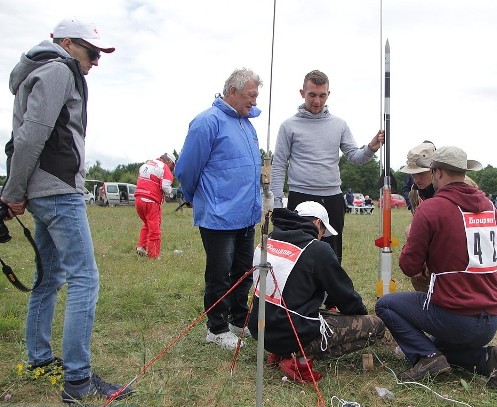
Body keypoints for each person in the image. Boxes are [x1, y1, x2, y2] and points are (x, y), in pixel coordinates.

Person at [1, 18, 133, 402]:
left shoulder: (42, 70)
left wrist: (19, 190)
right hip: (58, 192)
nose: (96, 61)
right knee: (84, 280)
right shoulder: (59, 70)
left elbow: (29, 135)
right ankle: (77, 380)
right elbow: (30, 136)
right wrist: (12, 191)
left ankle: (40, 359)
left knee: (49, 277)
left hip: (45, 192)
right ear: (66, 43)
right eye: (92, 52)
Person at [375, 146, 497, 389]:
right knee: (438, 345)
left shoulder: (431, 208)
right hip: (491, 319)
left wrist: (415, 241)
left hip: (457, 315)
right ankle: (486, 359)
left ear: (437, 173)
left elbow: (409, 266)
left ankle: (426, 359)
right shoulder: (490, 207)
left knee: (386, 305)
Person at [175, 68, 263, 350]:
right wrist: (194, 197)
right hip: (218, 216)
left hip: (246, 216)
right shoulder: (206, 123)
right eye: (251, 95)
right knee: (219, 272)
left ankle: (239, 319)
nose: (255, 101)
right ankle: (216, 327)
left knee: (243, 270)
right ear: (233, 92)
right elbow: (187, 169)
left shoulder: (247, 125)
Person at [248, 201, 385, 382]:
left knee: (296, 309)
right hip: (292, 334)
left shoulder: (270, 238)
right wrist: (359, 316)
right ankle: (298, 359)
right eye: (323, 232)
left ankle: (279, 353)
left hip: (261, 330)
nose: (321, 237)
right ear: (318, 224)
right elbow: (345, 297)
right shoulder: (316, 249)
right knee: (375, 327)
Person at [271, 70, 384, 263]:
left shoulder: (339, 125)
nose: (317, 101)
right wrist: (276, 202)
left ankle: (331, 293)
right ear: (302, 93)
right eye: (312, 95)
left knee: (332, 255)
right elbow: (279, 164)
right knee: (298, 255)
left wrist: (371, 148)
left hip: (332, 198)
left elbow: (355, 157)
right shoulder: (288, 126)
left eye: (322, 95)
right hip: (299, 196)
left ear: (328, 94)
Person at [399, 141, 477, 292]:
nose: (416, 179)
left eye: (421, 173)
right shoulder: (415, 192)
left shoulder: (462, 186)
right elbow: (420, 229)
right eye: (412, 174)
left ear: (435, 170)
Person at [134, 153, 175, 258]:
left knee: (147, 224)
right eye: (173, 166)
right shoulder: (164, 167)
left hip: (138, 198)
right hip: (151, 200)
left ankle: (141, 246)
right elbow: (165, 186)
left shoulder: (147, 163)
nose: (172, 168)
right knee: (154, 229)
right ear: (169, 162)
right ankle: (153, 255)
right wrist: (170, 191)